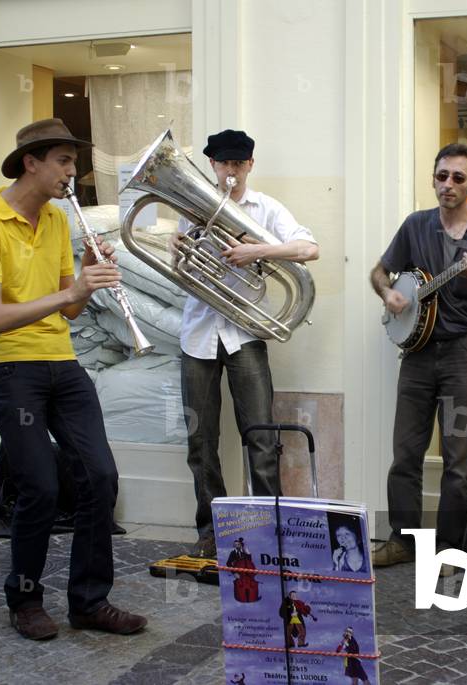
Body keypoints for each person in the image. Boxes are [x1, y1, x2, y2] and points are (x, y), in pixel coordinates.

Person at [0, 118, 147, 640]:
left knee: (100, 478)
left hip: (61, 363)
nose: (72, 171)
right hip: (9, 367)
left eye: (73, 161)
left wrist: (86, 276)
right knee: (39, 486)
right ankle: (25, 600)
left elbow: (69, 311)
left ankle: (89, 601)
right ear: (31, 163)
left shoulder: (60, 222)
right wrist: (70, 293)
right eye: (63, 160)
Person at [173, 129, 319, 558]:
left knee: (261, 435)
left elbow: (309, 249)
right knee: (200, 441)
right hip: (198, 334)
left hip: (246, 332)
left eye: (238, 163)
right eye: (223, 163)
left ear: (250, 165)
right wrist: (176, 248)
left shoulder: (266, 209)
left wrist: (256, 253)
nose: (231, 170)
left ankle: (267, 530)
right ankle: (210, 532)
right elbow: (183, 266)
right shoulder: (192, 206)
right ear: (213, 166)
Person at [369, 143, 467, 569]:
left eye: (457, 178)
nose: (447, 185)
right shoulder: (416, 226)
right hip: (416, 355)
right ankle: (404, 540)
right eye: (441, 176)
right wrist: (389, 292)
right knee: (406, 454)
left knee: (458, 458)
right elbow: (379, 271)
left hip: (462, 356)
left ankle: (451, 549)